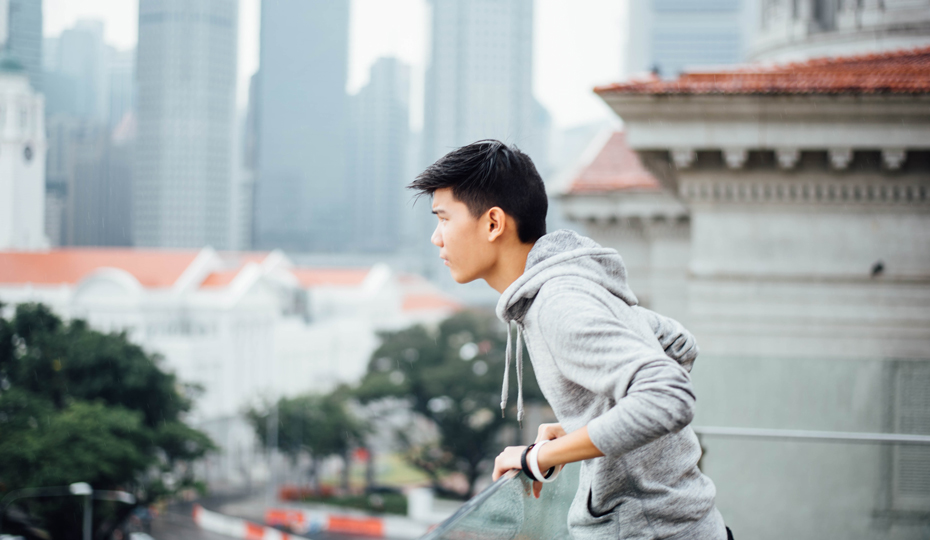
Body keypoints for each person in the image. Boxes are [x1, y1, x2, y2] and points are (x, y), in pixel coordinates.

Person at [409, 140, 731, 539]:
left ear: (493, 223)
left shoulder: (557, 305)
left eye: (443, 219)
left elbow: (669, 395)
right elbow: (678, 343)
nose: (436, 238)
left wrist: (541, 455)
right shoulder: (571, 287)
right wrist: (591, 421)